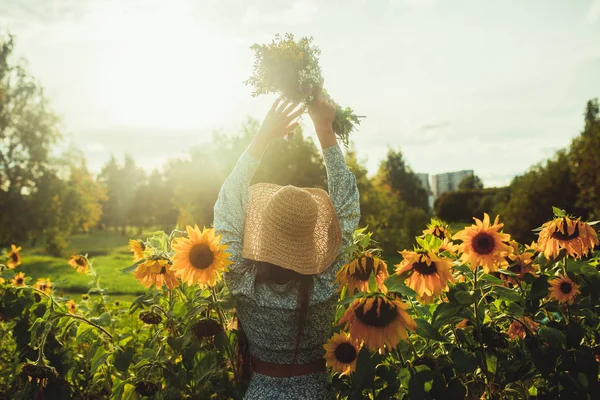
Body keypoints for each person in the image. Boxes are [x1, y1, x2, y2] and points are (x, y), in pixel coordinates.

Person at [213, 89, 360, 400]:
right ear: (312, 237)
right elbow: (347, 209)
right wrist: (324, 129)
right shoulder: (328, 281)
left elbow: (227, 207)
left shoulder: (243, 282)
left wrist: (262, 138)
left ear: (263, 230)